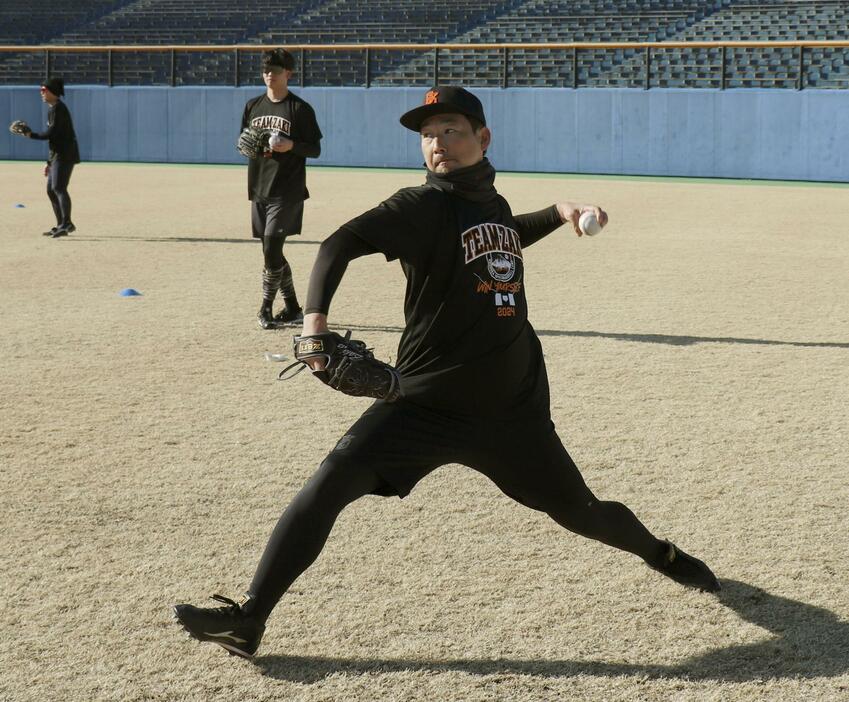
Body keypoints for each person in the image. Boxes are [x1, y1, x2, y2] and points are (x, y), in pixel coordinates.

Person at [174, 86, 720, 660]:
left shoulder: (492, 206)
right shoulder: (421, 206)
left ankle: (661, 555)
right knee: (325, 487)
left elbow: (512, 229)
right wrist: (313, 327)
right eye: (428, 135)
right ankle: (249, 619)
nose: (438, 143)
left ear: (482, 138)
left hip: (510, 413)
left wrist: (562, 213)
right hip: (421, 405)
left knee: (582, 512)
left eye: (451, 130)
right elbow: (339, 244)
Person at [242, 48, 323, 329]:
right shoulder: (253, 106)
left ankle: (265, 308)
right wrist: (246, 146)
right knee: (270, 250)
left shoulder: (299, 109)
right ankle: (292, 308)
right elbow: (246, 142)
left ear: (288, 73)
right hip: (259, 187)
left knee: (272, 248)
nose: (268, 75)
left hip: (287, 190)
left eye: (274, 71)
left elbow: (315, 149)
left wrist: (291, 146)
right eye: (265, 70)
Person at [26, 77, 81, 238]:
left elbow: (51, 134)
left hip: (65, 154)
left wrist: (31, 135)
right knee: (51, 190)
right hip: (58, 155)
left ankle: (67, 223)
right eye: (41, 90)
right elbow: (55, 138)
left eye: (44, 90)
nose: (41, 93)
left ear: (53, 92)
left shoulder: (58, 108)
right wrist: (49, 162)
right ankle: (61, 225)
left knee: (58, 188)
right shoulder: (53, 109)